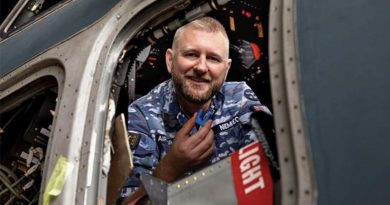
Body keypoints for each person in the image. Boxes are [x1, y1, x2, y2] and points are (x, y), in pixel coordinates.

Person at [120, 16, 269, 203]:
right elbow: (128, 202)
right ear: (170, 60)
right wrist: (171, 167)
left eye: (213, 58)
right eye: (191, 54)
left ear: (226, 69)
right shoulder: (142, 115)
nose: (201, 67)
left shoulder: (239, 98)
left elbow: (270, 169)